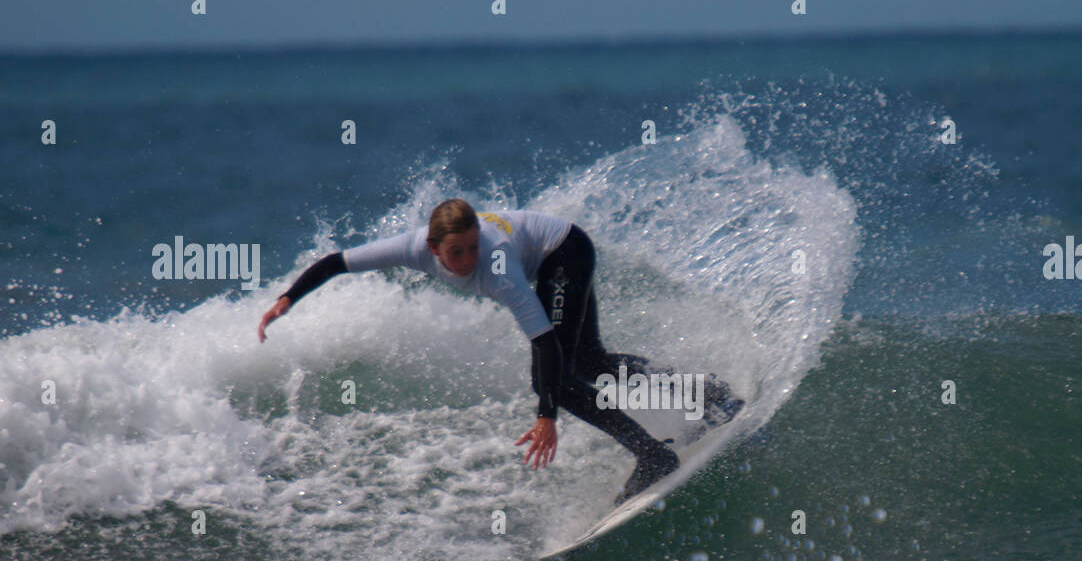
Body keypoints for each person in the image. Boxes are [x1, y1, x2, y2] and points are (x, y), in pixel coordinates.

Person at [257, 199, 740, 504]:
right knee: (590, 363)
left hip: (565, 252)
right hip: (554, 252)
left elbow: (543, 342)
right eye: (456, 253)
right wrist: (287, 299)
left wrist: (546, 415)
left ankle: (653, 455)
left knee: (555, 380)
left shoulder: (499, 267)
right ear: (432, 247)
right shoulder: (410, 247)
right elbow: (335, 263)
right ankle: (708, 391)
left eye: (472, 248)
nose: (467, 261)